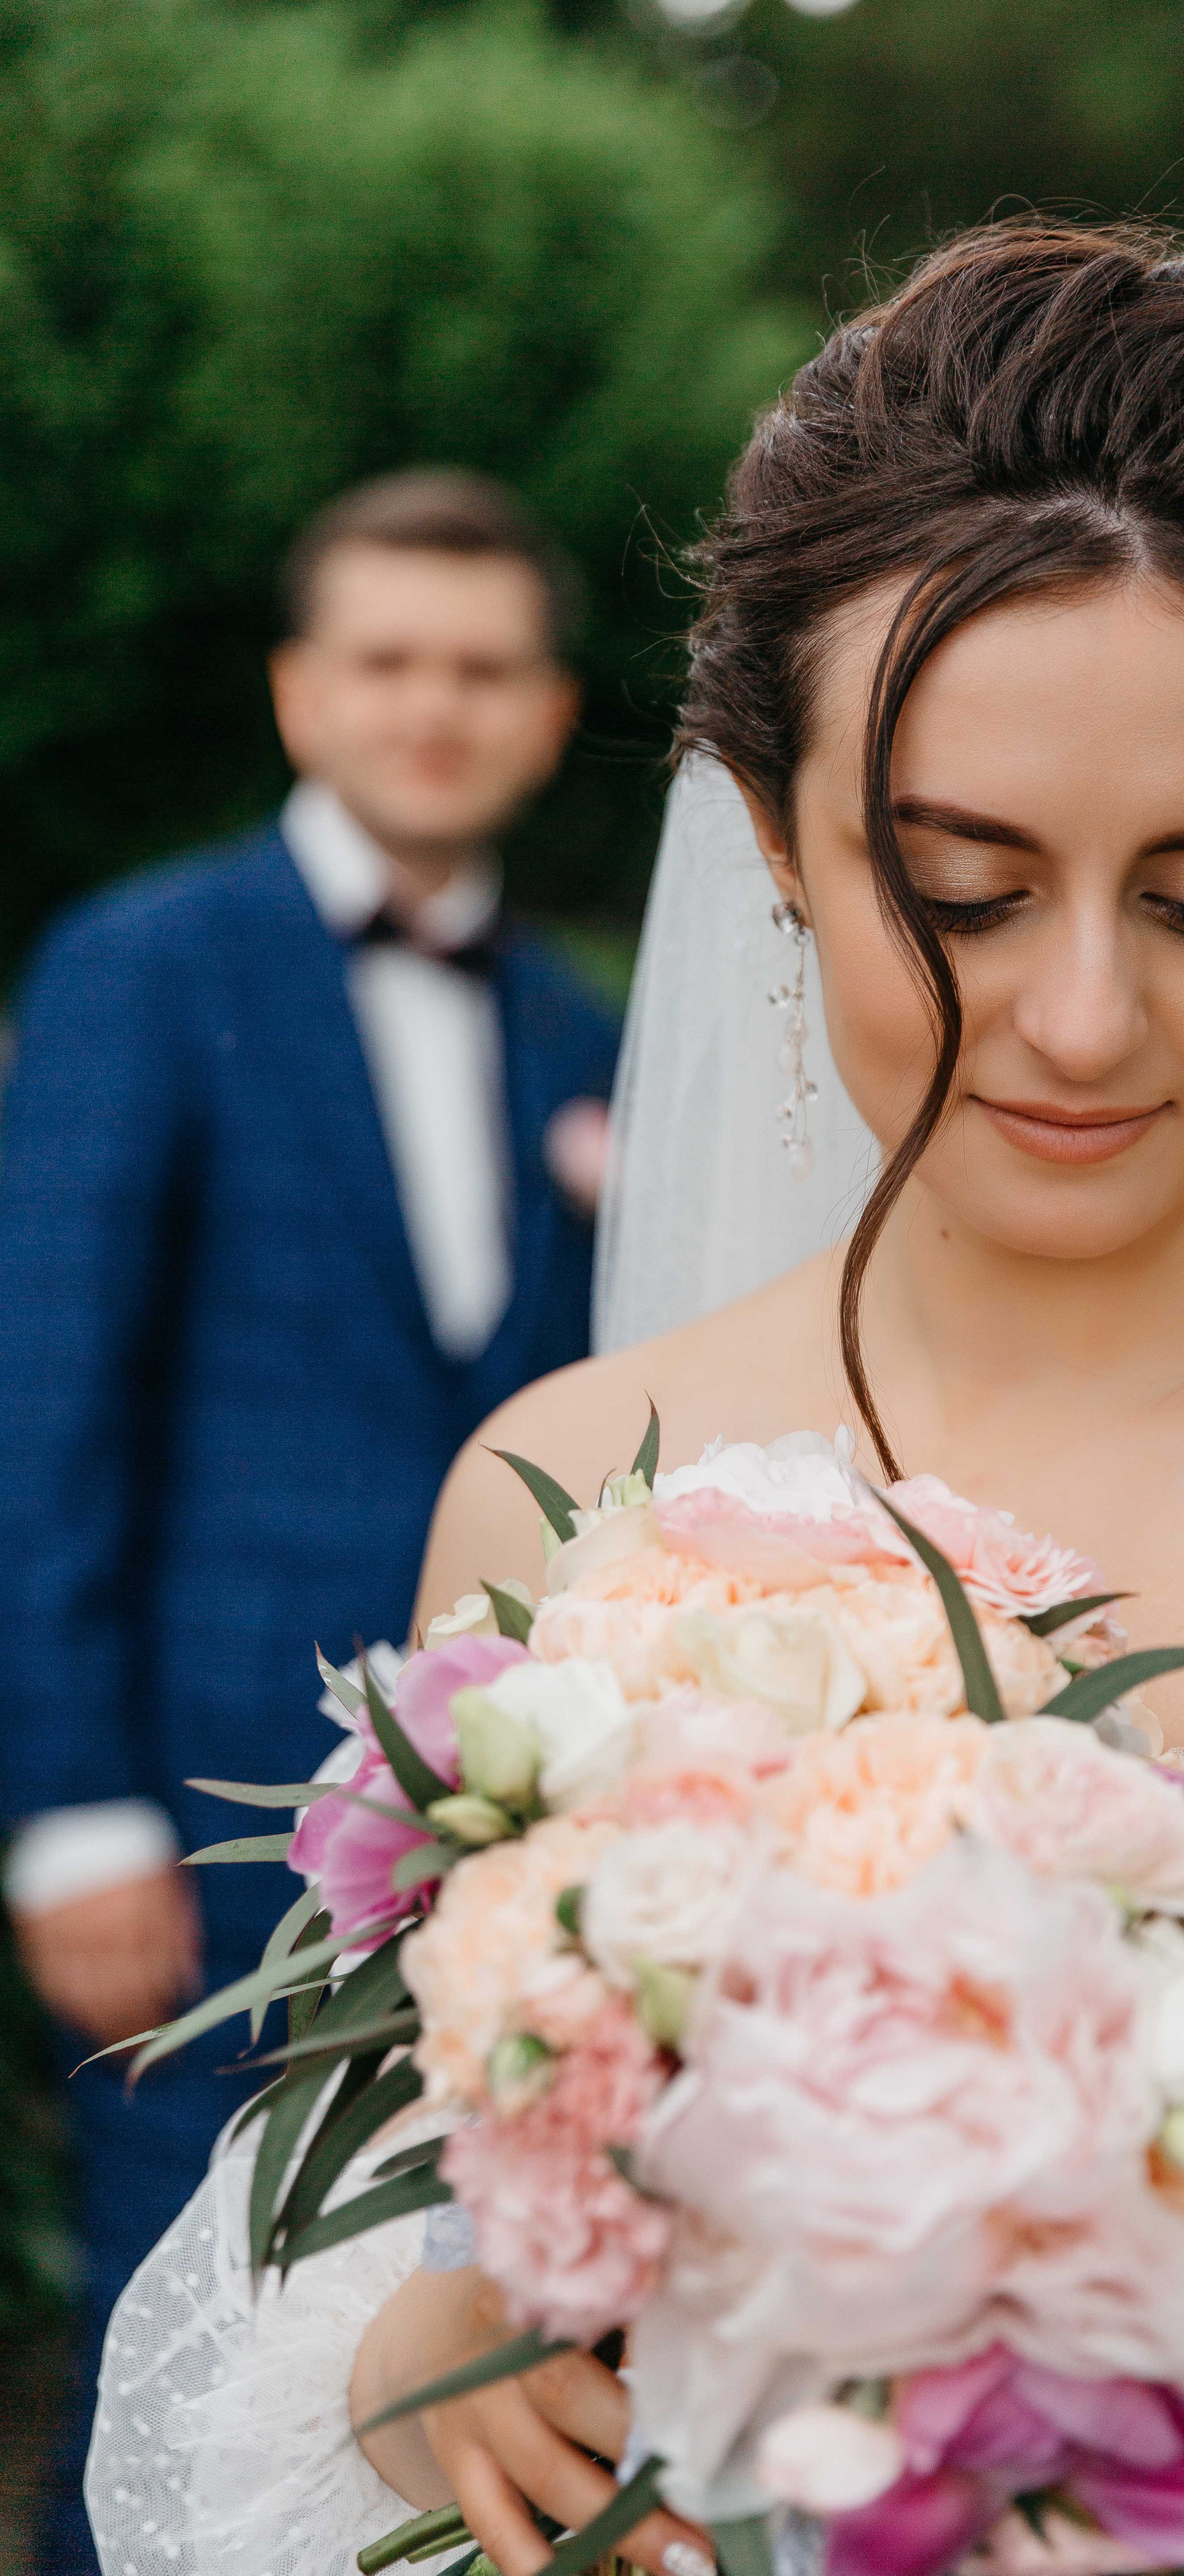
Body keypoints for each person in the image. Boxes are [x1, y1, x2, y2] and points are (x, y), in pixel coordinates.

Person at [90, 227, 1184, 2576]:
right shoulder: (557, 1494)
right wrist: (414, 2367)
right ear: (769, 836)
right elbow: (403, 2227)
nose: (1077, 1020)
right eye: (959, 883)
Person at [0, 468, 620, 2573]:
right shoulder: (139, 963)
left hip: (499, 1871)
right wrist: (69, 1810)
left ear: (545, 713)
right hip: (194, 1849)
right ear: (298, 691)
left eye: (481, 666)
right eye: (385, 659)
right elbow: (44, 1397)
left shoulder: (589, 1035)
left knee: (435, 2383)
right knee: (174, 2369)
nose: (430, 706)